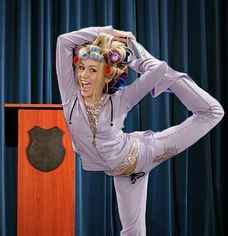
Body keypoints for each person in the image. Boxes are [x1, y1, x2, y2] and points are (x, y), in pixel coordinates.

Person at [56, 26, 224, 236]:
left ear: (106, 75)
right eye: (81, 67)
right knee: (133, 233)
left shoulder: (120, 100)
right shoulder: (70, 97)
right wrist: (108, 32)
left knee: (212, 112)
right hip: (124, 174)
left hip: (146, 152)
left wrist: (134, 53)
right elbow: (64, 41)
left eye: (92, 70)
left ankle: (175, 81)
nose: (83, 76)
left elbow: (159, 69)